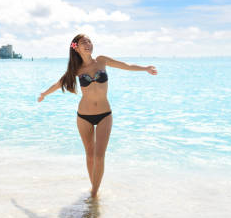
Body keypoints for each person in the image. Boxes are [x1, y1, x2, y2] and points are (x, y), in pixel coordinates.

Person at [38, 34, 157, 198]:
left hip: (104, 115)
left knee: (99, 156)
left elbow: (126, 65)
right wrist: (44, 94)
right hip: (83, 116)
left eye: (89, 41)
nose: (87, 44)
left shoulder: (101, 60)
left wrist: (145, 68)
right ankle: (93, 186)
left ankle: (93, 194)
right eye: (83, 42)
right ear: (76, 48)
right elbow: (59, 83)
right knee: (90, 155)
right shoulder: (76, 69)